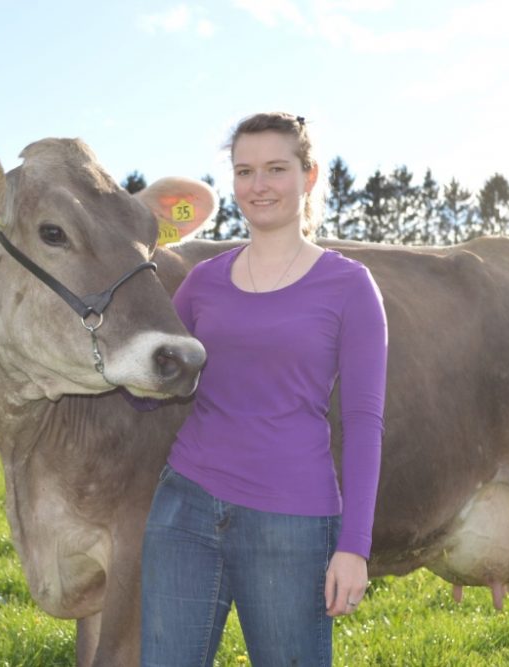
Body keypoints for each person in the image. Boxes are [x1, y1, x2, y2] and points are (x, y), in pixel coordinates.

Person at [139, 111, 387, 667]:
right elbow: (153, 382)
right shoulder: (204, 281)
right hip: (184, 509)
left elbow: (367, 420)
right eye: (244, 171)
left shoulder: (349, 286)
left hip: (291, 522)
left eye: (276, 169)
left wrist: (354, 546)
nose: (258, 186)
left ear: (309, 176)